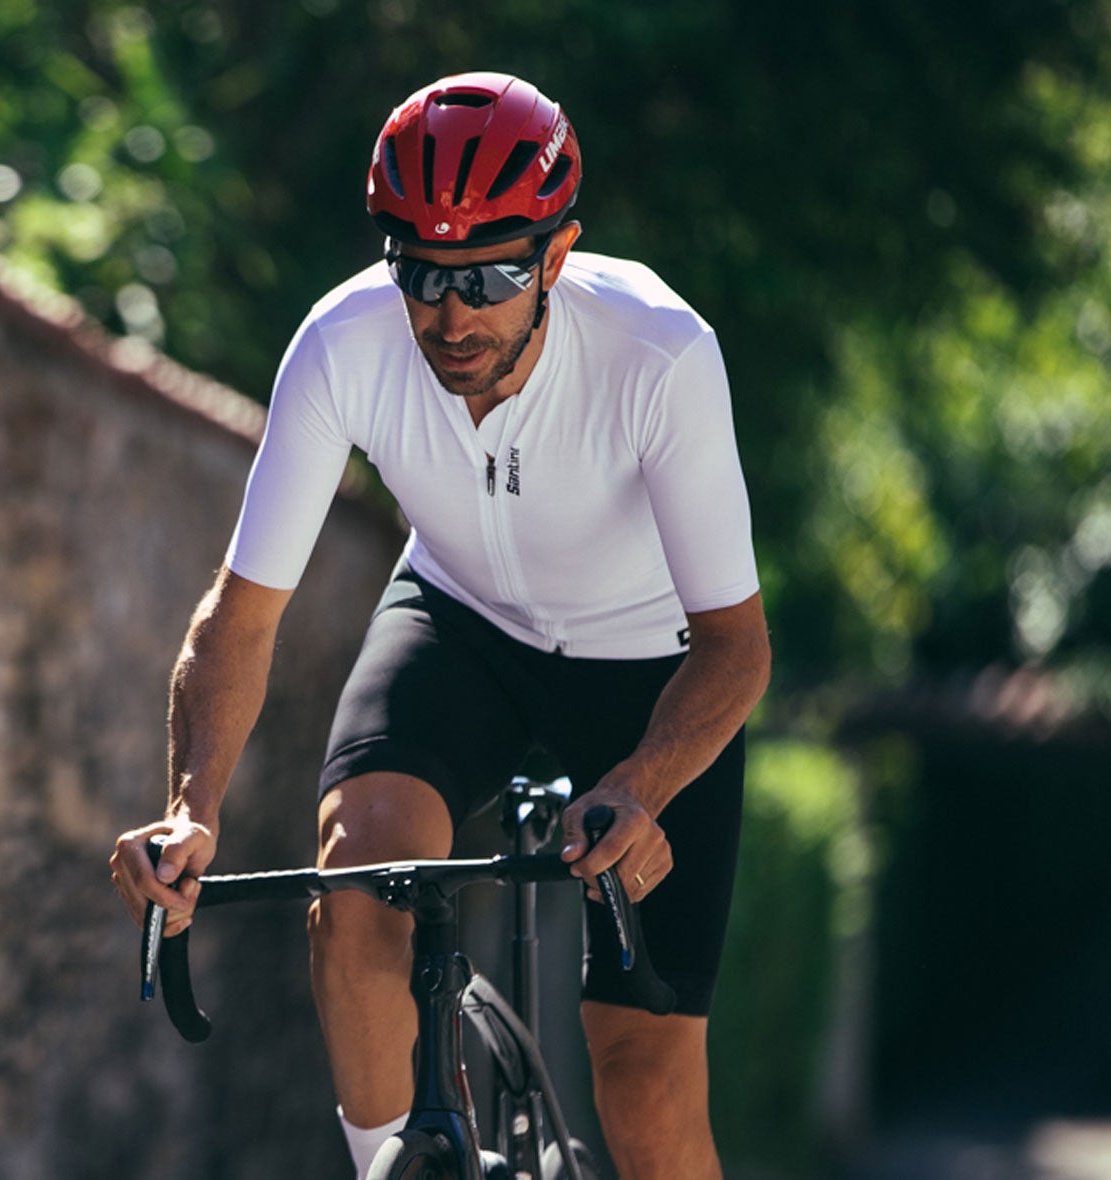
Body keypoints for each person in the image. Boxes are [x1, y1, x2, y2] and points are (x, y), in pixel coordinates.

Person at [109, 71, 769, 1180]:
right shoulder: (343, 345)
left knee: (646, 1089)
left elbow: (737, 647)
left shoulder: (660, 353)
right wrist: (191, 811)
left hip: (653, 671)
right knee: (353, 888)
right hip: (459, 624)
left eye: (494, 275)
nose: (452, 315)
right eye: (420, 274)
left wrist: (644, 787)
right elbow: (240, 616)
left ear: (557, 257)